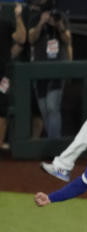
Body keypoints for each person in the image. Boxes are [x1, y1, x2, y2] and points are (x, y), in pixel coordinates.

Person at [27, 0, 72, 139]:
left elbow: (68, 40)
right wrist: (42, 22)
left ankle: (54, 144)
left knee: (53, 106)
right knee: (44, 110)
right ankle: (52, 142)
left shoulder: (61, 18)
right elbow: (31, 39)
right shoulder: (35, 18)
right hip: (39, 69)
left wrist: (59, 26)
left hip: (57, 68)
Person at [0, 2, 28, 149]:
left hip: (1, 74)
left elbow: (22, 39)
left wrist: (18, 17)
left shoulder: (4, 25)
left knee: (1, 109)